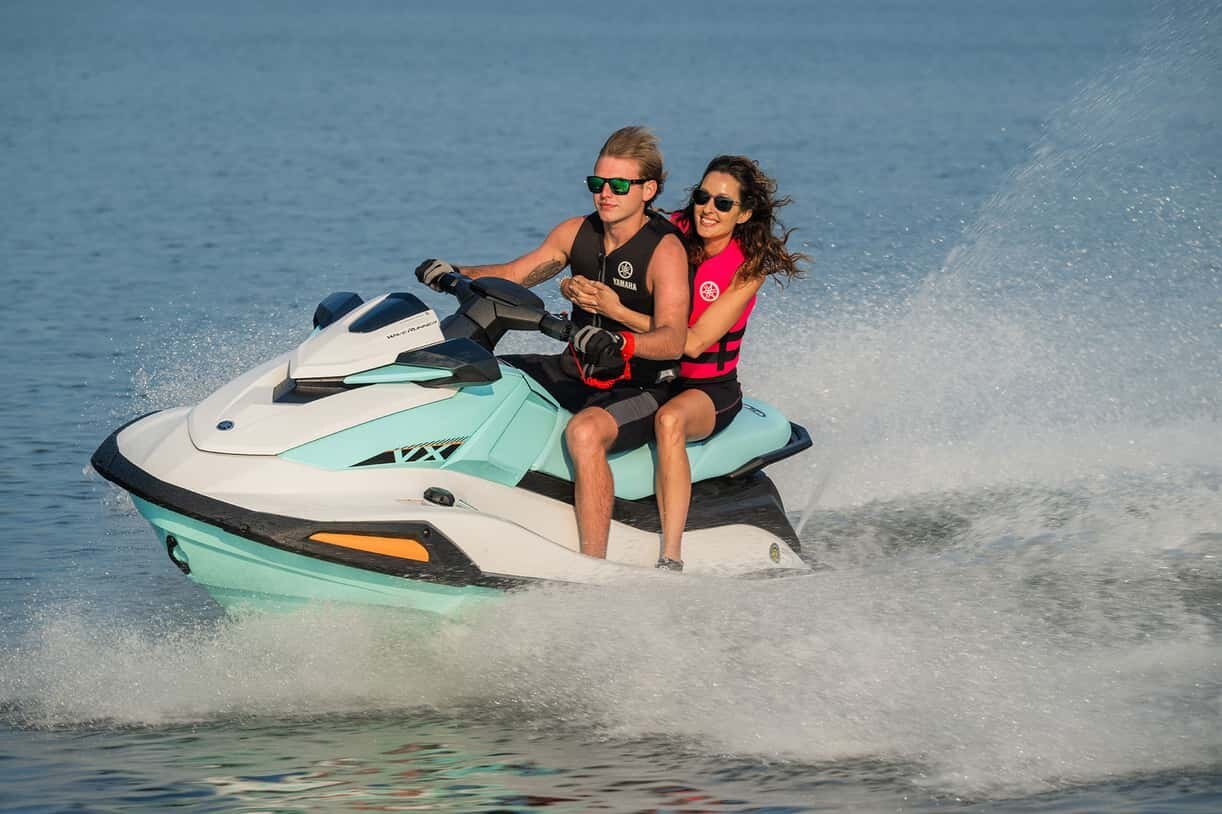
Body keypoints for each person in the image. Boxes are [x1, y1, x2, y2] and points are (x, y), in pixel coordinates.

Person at [415, 126, 689, 560]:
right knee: (477, 374)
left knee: (584, 432)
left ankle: (592, 567)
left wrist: (619, 341)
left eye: (619, 185)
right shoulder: (576, 232)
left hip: (641, 386)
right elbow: (514, 275)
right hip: (574, 370)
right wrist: (456, 271)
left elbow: (673, 340)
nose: (605, 194)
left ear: (648, 190)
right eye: (597, 183)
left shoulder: (665, 251)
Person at [561, 155, 807, 571]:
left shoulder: (747, 269)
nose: (708, 209)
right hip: (654, 377)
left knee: (669, 421)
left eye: (723, 203)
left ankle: (671, 556)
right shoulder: (671, 232)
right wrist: (573, 284)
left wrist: (617, 311)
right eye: (702, 197)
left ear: (744, 213)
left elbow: (691, 343)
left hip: (706, 388)